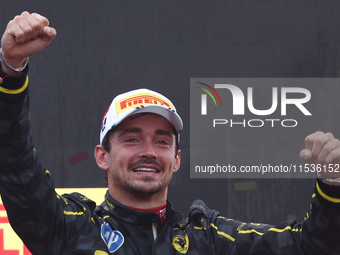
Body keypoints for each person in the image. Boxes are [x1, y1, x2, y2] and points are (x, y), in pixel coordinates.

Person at [0, 11, 339, 255]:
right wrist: (11, 70)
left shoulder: (210, 239)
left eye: (162, 141)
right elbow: (15, 166)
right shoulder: (69, 227)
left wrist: (333, 185)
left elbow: (310, 246)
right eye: (131, 138)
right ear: (102, 156)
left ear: (176, 160)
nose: (149, 150)